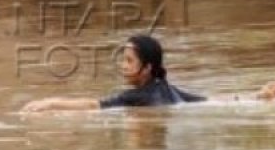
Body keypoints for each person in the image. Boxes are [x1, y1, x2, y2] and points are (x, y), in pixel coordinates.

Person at [20, 35, 205, 112]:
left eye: (130, 61)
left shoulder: (135, 96)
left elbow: (94, 105)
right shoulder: (166, 88)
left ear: (147, 68)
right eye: (123, 59)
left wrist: (51, 103)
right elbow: (204, 101)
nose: (123, 66)